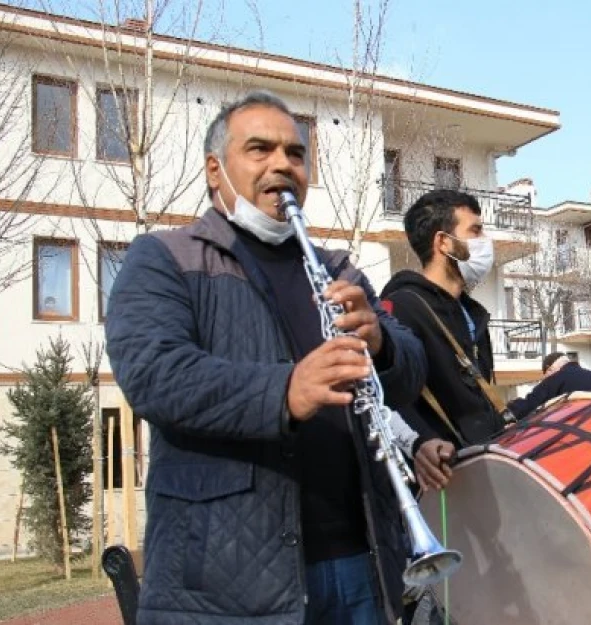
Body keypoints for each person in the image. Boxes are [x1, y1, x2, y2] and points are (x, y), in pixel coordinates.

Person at [105, 91, 427, 625]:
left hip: (359, 566)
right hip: (225, 584)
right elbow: (153, 373)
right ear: (216, 170)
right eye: (259, 149)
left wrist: (382, 344)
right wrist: (284, 391)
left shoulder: (338, 268)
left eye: (295, 154)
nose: (282, 164)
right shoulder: (163, 257)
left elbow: (411, 373)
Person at [378, 189, 506, 492]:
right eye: (475, 231)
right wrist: (420, 442)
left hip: (480, 474)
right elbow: (382, 396)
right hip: (438, 486)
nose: (485, 241)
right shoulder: (402, 306)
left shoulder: (472, 312)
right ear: (443, 242)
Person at [505, 352, 591, 421]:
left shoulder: (556, 379)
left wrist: (508, 412)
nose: (546, 379)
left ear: (550, 369)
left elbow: (530, 404)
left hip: (575, 435)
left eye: (546, 375)